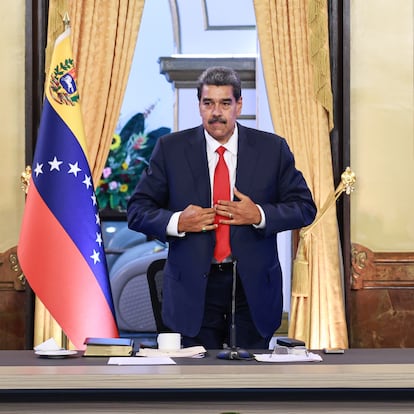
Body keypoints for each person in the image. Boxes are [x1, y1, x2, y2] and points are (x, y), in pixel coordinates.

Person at [127, 66, 316, 350]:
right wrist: (178, 222)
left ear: (239, 105)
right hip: (193, 289)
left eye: (225, 103)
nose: (217, 112)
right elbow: (138, 210)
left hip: (251, 288)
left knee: (251, 382)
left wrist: (260, 215)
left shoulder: (272, 149)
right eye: (208, 103)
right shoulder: (170, 149)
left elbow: (304, 207)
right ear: (199, 106)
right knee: (197, 385)